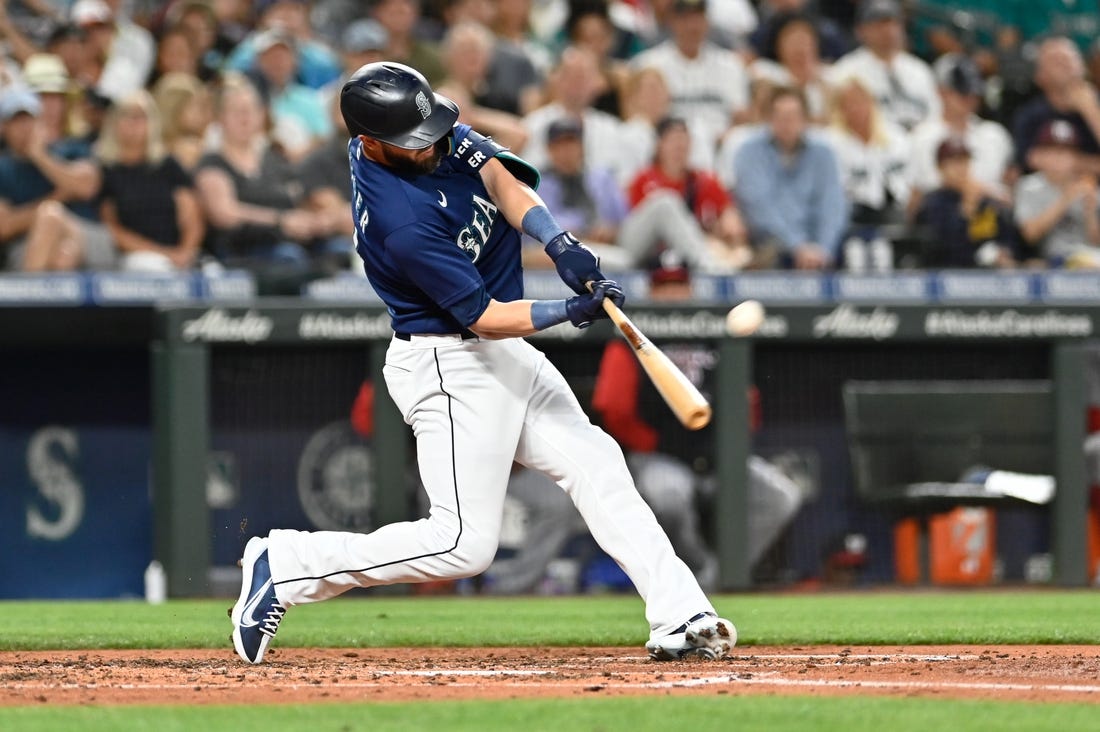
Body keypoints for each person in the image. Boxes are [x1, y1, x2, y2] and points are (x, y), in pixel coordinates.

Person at [229, 61, 734, 665]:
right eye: (415, 142)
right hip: (450, 365)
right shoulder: (399, 221)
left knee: (596, 462)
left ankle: (681, 613)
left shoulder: (421, 130)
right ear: (371, 143)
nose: (434, 144)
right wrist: (568, 309)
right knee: (462, 546)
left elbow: (499, 178)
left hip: (501, 354)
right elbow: (484, 317)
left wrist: (559, 242)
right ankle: (285, 564)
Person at [590, 254, 804, 588]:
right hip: (660, 456)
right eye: (664, 287)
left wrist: (727, 445)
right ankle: (690, 576)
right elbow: (613, 409)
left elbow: (746, 409)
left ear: (691, 288)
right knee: (668, 495)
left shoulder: (716, 333)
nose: (673, 295)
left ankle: (715, 580)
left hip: (717, 457)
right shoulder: (630, 335)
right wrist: (658, 445)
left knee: (779, 497)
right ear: (650, 291)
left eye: (679, 285)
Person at [733, 86, 849, 269]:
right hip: (770, 244)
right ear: (769, 118)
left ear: (805, 119)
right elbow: (758, 207)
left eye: (793, 117)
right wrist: (797, 247)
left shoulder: (824, 152)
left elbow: (832, 204)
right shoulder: (749, 152)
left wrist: (824, 248)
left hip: (820, 248)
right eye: (781, 117)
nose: (787, 123)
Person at [0, 86, 113, 272]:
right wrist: (59, 197)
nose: (25, 128)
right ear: (4, 127)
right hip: (31, 243)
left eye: (30, 120)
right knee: (62, 254)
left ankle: (28, 296)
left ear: (41, 122)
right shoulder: (3, 167)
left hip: (88, 235)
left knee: (51, 218)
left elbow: (86, 187)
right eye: (17, 122)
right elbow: (4, 226)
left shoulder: (72, 149)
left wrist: (39, 156)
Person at [95, 89, 205, 272]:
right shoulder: (106, 169)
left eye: (141, 117)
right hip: (133, 256)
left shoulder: (168, 165)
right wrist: (163, 254)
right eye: (128, 116)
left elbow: (191, 217)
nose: (135, 123)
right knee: (152, 269)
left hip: (180, 254)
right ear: (114, 122)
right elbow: (112, 229)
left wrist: (185, 252)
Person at [631, 0, 749, 169]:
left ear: (707, 21)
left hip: (721, 148)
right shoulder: (649, 64)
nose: (692, 26)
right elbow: (639, 116)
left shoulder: (731, 65)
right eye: (685, 19)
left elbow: (741, 116)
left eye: (697, 18)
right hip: (668, 149)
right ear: (672, 21)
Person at [625, 116, 752, 272]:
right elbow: (638, 227)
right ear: (659, 145)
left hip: (692, 255)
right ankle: (708, 266)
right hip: (645, 251)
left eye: (684, 141)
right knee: (665, 202)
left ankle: (711, 264)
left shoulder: (705, 181)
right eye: (673, 141)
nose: (679, 147)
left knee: (738, 253)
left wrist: (729, 228)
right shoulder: (643, 180)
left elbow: (733, 224)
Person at [822, 73, 910, 272]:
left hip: (894, 213)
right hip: (851, 217)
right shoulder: (830, 143)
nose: (856, 108)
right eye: (849, 103)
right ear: (839, 108)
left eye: (861, 101)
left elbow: (909, 183)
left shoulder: (896, 137)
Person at [908, 53, 1014, 205]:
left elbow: (1009, 186)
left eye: (974, 93)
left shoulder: (994, 134)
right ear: (941, 92)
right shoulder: (922, 136)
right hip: (942, 219)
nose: (970, 99)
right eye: (962, 93)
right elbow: (927, 190)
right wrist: (982, 190)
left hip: (991, 219)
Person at [827, 0, 940, 133]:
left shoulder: (920, 70)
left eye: (894, 23)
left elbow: (936, 117)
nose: (889, 30)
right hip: (874, 149)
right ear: (860, 30)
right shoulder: (845, 71)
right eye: (879, 24)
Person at [912, 137, 1019, 269]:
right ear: (940, 167)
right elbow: (943, 247)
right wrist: (968, 205)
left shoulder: (985, 200)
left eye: (965, 162)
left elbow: (1006, 237)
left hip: (989, 275)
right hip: (945, 275)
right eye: (954, 163)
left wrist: (1003, 252)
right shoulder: (932, 202)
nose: (961, 169)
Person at [1014, 120, 1100, 268]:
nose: (1059, 159)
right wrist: (1065, 199)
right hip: (1052, 261)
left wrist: (1090, 212)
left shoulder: (1088, 187)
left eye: (1065, 152)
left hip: (1090, 261)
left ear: (1075, 157)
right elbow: (1030, 234)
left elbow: (1095, 240)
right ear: (1039, 155)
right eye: (1052, 151)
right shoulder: (1029, 186)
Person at [1012, 37, 1100, 176]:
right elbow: (1028, 159)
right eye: (1056, 61)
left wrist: (1091, 111)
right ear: (1039, 76)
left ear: (1083, 68)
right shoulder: (1030, 115)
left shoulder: (1096, 107)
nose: (1065, 64)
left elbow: (1059, 162)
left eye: (1070, 58)